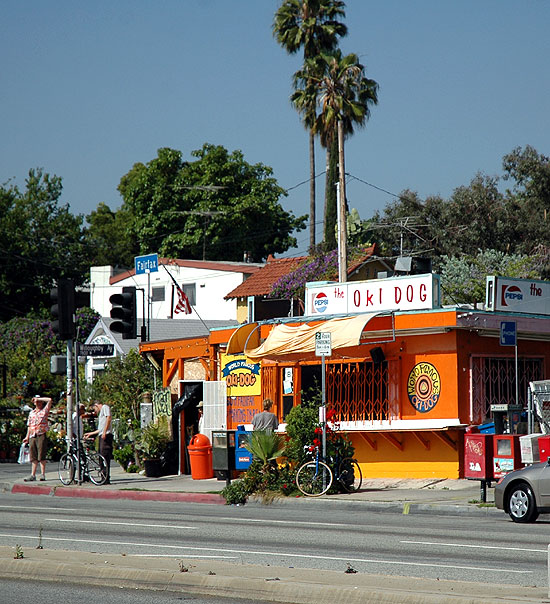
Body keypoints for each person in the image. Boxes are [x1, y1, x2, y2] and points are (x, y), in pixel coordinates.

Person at [22, 395, 53, 482]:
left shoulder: (44, 411)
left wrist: (39, 398)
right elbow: (29, 425)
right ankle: (33, 474)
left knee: (41, 454)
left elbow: (49, 400)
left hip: (41, 433)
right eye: (36, 401)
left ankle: (42, 474)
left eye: (39, 401)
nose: (38, 403)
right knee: (33, 455)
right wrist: (27, 437)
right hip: (33, 435)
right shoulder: (32, 413)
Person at [84, 401, 113, 484]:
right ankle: (103, 476)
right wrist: (91, 433)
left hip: (106, 435)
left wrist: (104, 432)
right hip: (102, 435)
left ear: (96, 405)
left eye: (94, 409)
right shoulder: (101, 414)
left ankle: (106, 477)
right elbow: (100, 429)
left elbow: (109, 418)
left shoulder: (105, 407)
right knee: (100, 456)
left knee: (104, 456)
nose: (95, 411)